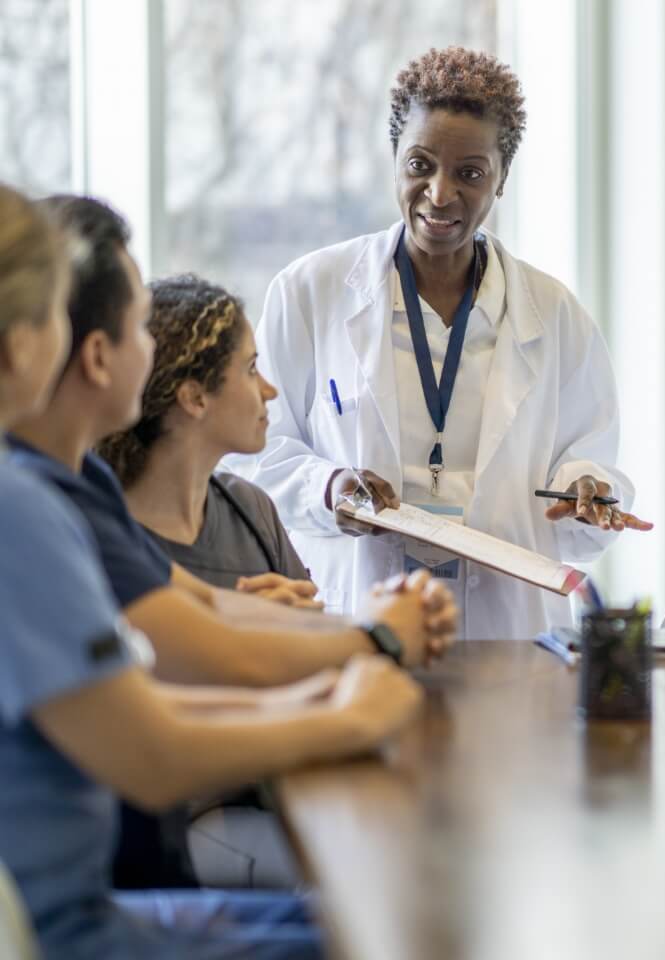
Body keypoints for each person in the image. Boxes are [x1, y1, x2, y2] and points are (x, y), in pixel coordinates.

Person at [0, 180, 426, 958]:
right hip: (68, 928)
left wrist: (323, 688)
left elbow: (181, 647)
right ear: (32, 345)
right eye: (138, 328)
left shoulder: (59, 491)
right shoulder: (20, 508)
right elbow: (154, 751)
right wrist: (352, 701)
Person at [232, 47, 650, 638]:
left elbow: (588, 458)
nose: (439, 193)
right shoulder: (309, 292)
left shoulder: (555, 315)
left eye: (470, 173)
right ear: (395, 161)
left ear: (502, 179)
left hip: (507, 630)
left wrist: (588, 490)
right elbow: (252, 454)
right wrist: (327, 488)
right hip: (358, 611)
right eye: (420, 165)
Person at [10, 195, 455, 690]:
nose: (152, 347)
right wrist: (378, 642)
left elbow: (205, 608)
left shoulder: (87, 487)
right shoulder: (31, 505)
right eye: (138, 326)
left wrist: (304, 622)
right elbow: (165, 714)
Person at [98, 274, 316, 606]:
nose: (269, 391)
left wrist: (297, 620)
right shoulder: (103, 533)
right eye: (251, 368)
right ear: (195, 398)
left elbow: (319, 636)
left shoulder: (250, 509)